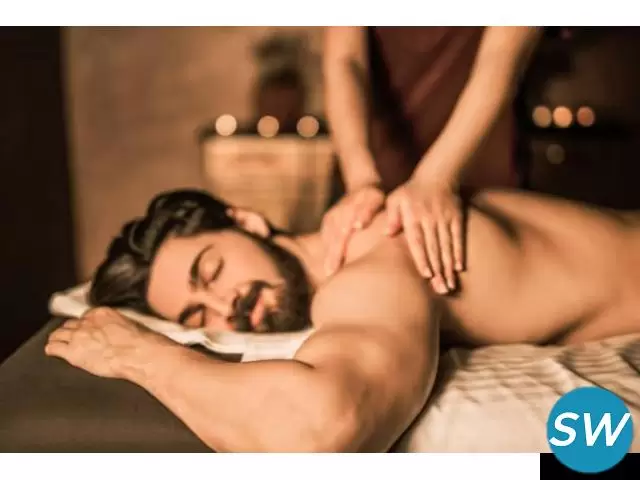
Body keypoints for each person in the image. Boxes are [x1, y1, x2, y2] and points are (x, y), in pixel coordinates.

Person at [45, 187, 640, 452]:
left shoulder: (373, 265)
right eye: (200, 315)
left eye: (213, 270)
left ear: (247, 221)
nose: (229, 307)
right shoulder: (357, 234)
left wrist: (140, 353)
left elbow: (319, 431)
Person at [322, 26, 543, 295]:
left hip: (475, 158)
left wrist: (437, 177)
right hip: (369, 167)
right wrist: (360, 179)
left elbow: (500, 57)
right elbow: (345, 59)